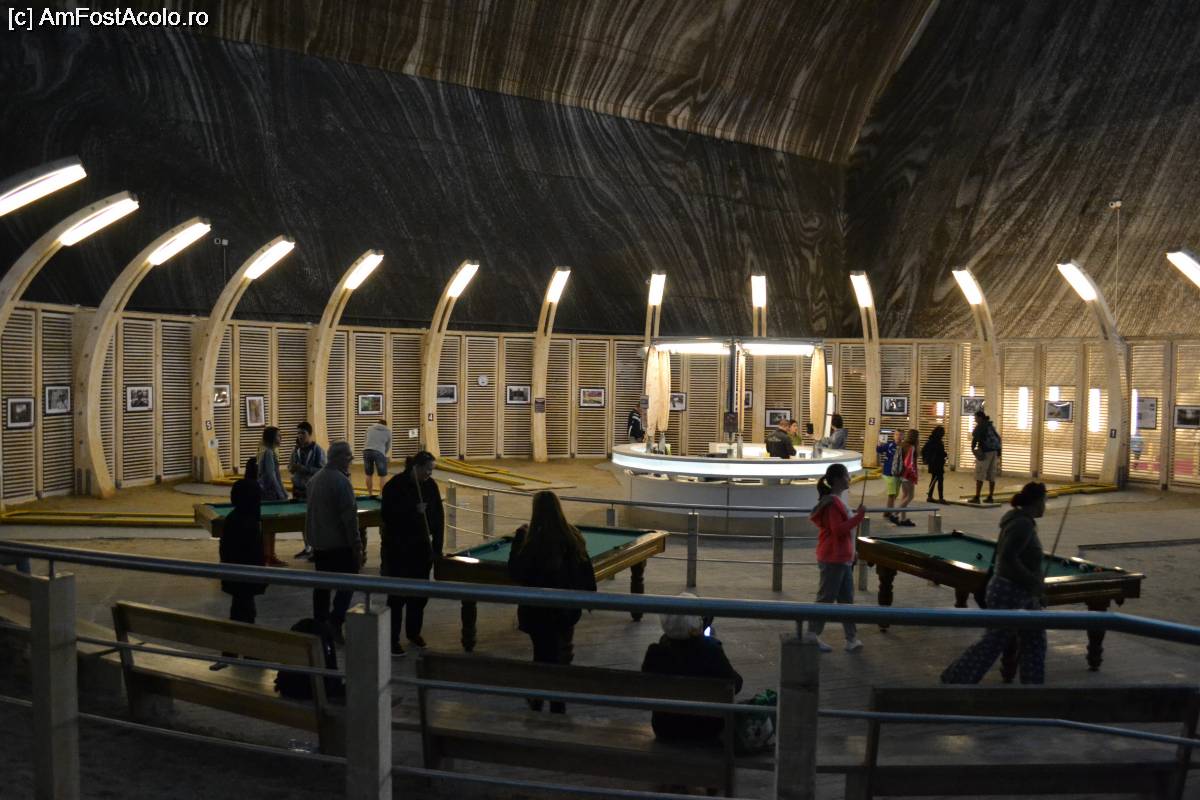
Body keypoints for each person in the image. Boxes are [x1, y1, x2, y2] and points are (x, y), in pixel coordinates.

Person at [941, 482, 1049, 684]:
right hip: (1010, 591)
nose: (1045, 506)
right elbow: (1008, 557)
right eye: (1044, 501)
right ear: (1036, 502)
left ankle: (1033, 685)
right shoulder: (1022, 524)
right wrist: (1033, 582)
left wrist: (1035, 589)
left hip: (1020, 591)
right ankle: (957, 677)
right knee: (994, 642)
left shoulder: (1021, 520)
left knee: (1034, 640)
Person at [507, 491, 597, 713]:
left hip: (537, 611)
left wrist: (518, 540)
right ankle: (555, 702)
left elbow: (516, 572)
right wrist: (589, 597)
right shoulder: (573, 536)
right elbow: (585, 569)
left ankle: (540, 698)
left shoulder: (530, 540)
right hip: (566, 610)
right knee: (560, 653)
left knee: (542, 653)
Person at [641, 593, 743, 740]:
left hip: (665, 729)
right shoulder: (711, 650)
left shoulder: (655, 653)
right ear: (696, 623)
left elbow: (647, 688)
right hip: (708, 729)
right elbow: (736, 684)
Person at [380, 450, 444, 656]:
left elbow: (439, 517)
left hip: (422, 549)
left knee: (419, 596)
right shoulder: (395, 486)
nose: (430, 474)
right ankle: (392, 639)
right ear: (416, 467)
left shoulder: (430, 486)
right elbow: (387, 516)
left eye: (432, 470)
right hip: (398, 550)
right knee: (397, 598)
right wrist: (413, 511)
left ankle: (413, 632)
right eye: (427, 470)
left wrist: (437, 549)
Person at [802, 463, 866, 653]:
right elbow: (838, 530)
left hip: (842, 557)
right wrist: (859, 517)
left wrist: (852, 551)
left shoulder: (836, 501)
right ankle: (812, 634)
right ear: (838, 479)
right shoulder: (832, 503)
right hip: (833, 558)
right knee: (826, 598)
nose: (849, 479)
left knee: (847, 599)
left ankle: (851, 638)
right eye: (846, 476)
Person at [305, 441, 362, 644]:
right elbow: (350, 519)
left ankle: (320, 625)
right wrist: (357, 545)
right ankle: (336, 622)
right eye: (348, 457)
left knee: (322, 587)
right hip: (339, 545)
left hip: (320, 545)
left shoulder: (314, 479)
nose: (351, 460)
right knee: (348, 584)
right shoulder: (341, 482)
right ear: (340, 458)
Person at [215, 459, 267, 669]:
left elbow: (224, 549)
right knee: (244, 613)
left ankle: (238, 652)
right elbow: (255, 553)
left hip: (234, 574)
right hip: (245, 575)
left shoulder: (232, 518)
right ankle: (242, 652)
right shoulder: (250, 522)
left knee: (240, 611)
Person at [290, 421, 326, 560]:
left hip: (312, 490)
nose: (300, 436)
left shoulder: (318, 450)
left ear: (310, 434)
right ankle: (307, 548)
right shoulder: (296, 450)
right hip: (298, 489)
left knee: (314, 520)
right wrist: (293, 468)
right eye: (298, 433)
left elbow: (322, 470)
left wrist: (304, 469)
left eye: (303, 433)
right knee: (302, 520)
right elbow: (290, 466)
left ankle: (317, 549)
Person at [256, 426, 288, 565]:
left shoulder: (268, 451)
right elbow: (271, 475)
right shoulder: (268, 453)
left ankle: (269, 554)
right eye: (278, 435)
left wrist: (283, 491)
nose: (281, 438)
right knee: (270, 526)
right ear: (272, 438)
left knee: (270, 526)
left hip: (269, 493)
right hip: (269, 495)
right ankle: (268, 555)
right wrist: (281, 493)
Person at [971, 410, 1002, 503]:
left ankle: (977, 497)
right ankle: (990, 497)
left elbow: (975, 438)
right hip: (994, 452)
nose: (975, 419)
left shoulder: (980, 426)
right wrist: (999, 453)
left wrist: (973, 449)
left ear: (980, 418)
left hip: (985, 452)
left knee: (980, 474)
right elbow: (998, 438)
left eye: (976, 417)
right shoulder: (990, 425)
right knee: (992, 475)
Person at [894, 429, 919, 527]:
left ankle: (903, 519)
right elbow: (909, 463)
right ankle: (895, 514)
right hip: (908, 474)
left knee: (904, 496)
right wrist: (913, 475)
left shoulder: (903, 445)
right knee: (910, 496)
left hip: (901, 473)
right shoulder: (911, 447)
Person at [876, 429, 901, 523]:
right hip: (889, 473)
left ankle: (887, 511)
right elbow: (879, 450)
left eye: (900, 435)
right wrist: (879, 443)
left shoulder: (903, 447)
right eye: (897, 434)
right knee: (892, 494)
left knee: (895, 494)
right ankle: (889, 513)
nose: (898, 436)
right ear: (894, 436)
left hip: (898, 474)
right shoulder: (889, 445)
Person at [363, 418, 392, 497]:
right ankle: (381, 495)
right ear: (385, 425)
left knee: (368, 474)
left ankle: (370, 494)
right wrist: (384, 453)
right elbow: (388, 445)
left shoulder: (369, 428)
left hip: (366, 451)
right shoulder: (388, 431)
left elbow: (366, 440)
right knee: (383, 475)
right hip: (379, 452)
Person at [921, 425, 948, 503]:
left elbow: (923, 450)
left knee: (933, 479)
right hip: (937, 464)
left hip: (933, 464)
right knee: (940, 480)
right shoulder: (937, 442)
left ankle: (930, 496)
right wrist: (944, 454)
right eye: (943, 433)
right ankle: (940, 498)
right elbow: (939, 452)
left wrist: (926, 459)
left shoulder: (931, 440)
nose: (944, 434)